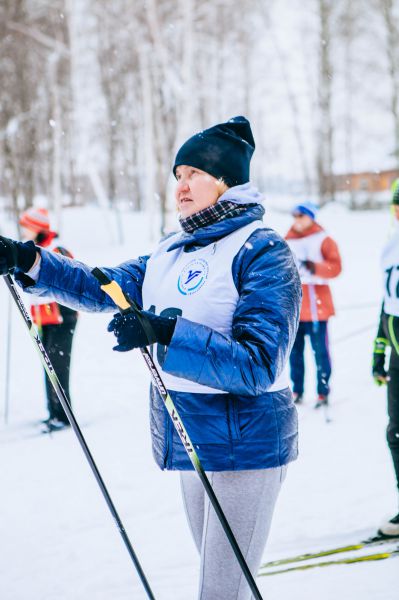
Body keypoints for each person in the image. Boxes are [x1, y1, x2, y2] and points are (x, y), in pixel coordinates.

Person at [0, 116, 301, 599]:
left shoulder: (262, 251)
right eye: (178, 176)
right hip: (192, 434)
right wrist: (28, 260)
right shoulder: (171, 250)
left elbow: (258, 363)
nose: (181, 187)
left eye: (194, 175)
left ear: (227, 181)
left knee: (220, 592)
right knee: (220, 583)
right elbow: (101, 288)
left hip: (245, 444)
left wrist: (165, 331)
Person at [19, 207, 78, 432]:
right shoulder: (34, 250)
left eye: (26, 226)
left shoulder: (56, 249)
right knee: (48, 364)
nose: (23, 230)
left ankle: (63, 416)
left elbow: (71, 280)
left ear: (36, 227)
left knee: (58, 366)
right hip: (43, 319)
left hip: (62, 318)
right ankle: (53, 412)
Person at [285, 201, 342, 408]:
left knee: (321, 352)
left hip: (318, 306)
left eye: (301, 216)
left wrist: (314, 267)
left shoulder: (323, 239)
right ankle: (297, 390)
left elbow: (335, 267)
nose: (297, 220)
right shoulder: (287, 240)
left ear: (311, 217)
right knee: (295, 354)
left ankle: (323, 390)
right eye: (295, 216)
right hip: (296, 310)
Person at [372, 182, 399, 537]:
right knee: (396, 432)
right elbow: (387, 305)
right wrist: (379, 352)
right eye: (396, 206)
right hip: (398, 356)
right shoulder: (391, 246)